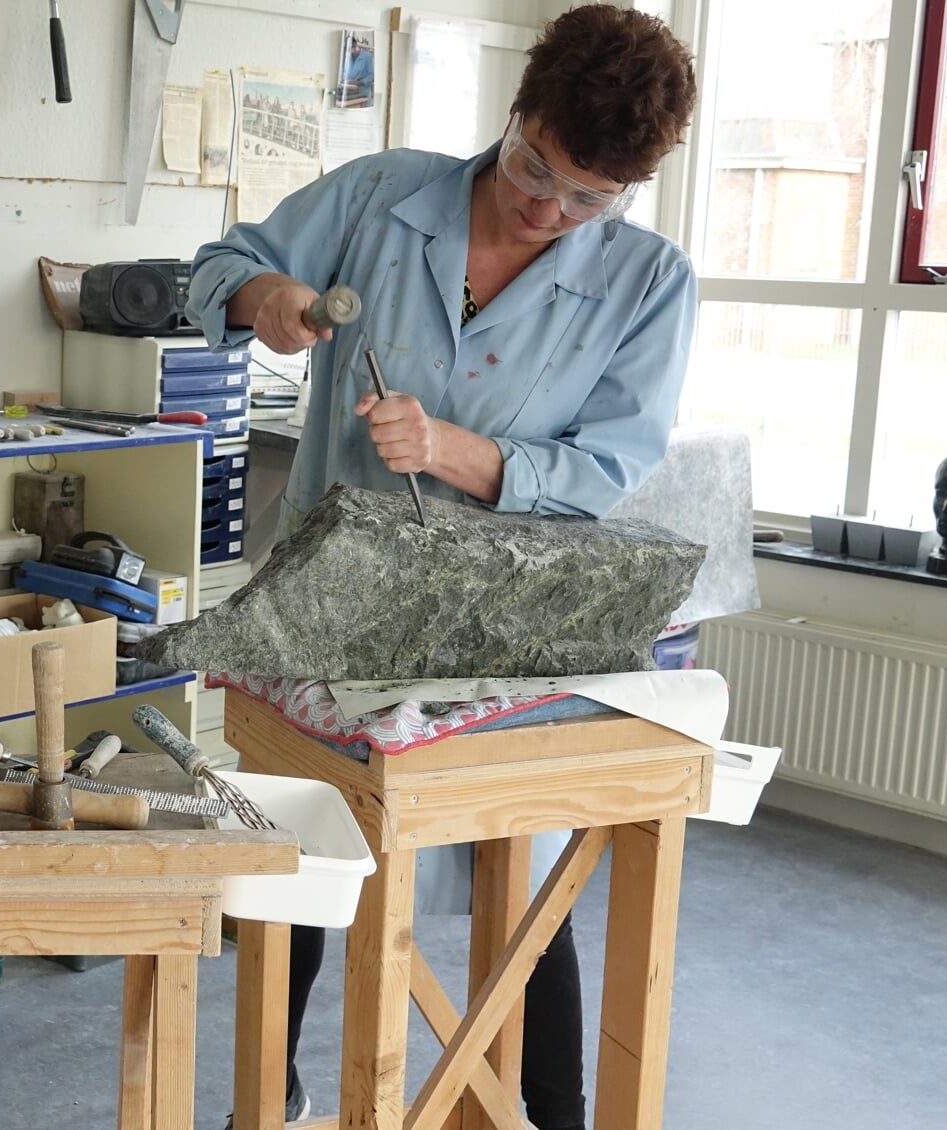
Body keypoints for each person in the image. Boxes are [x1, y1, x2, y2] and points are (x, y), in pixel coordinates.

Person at [186, 7, 698, 1129]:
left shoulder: (650, 282)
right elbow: (221, 263)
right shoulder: (383, 197)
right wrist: (258, 297)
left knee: (534, 893)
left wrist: (461, 452)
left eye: (586, 199)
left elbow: (612, 460)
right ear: (516, 114)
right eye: (533, 168)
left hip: (502, 632)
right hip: (332, 612)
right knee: (308, 868)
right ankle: (266, 1098)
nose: (545, 208)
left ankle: (544, 1115)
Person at [340, 35, 375, 108]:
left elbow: (371, 76)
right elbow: (343, 72)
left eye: (351, 47)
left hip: (362, 93)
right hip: (349, 93)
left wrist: (359, 82)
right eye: (348, 48)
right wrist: (345, 79)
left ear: (355, 44)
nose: (350, 50)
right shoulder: (348, 57)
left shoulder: (367, 56)